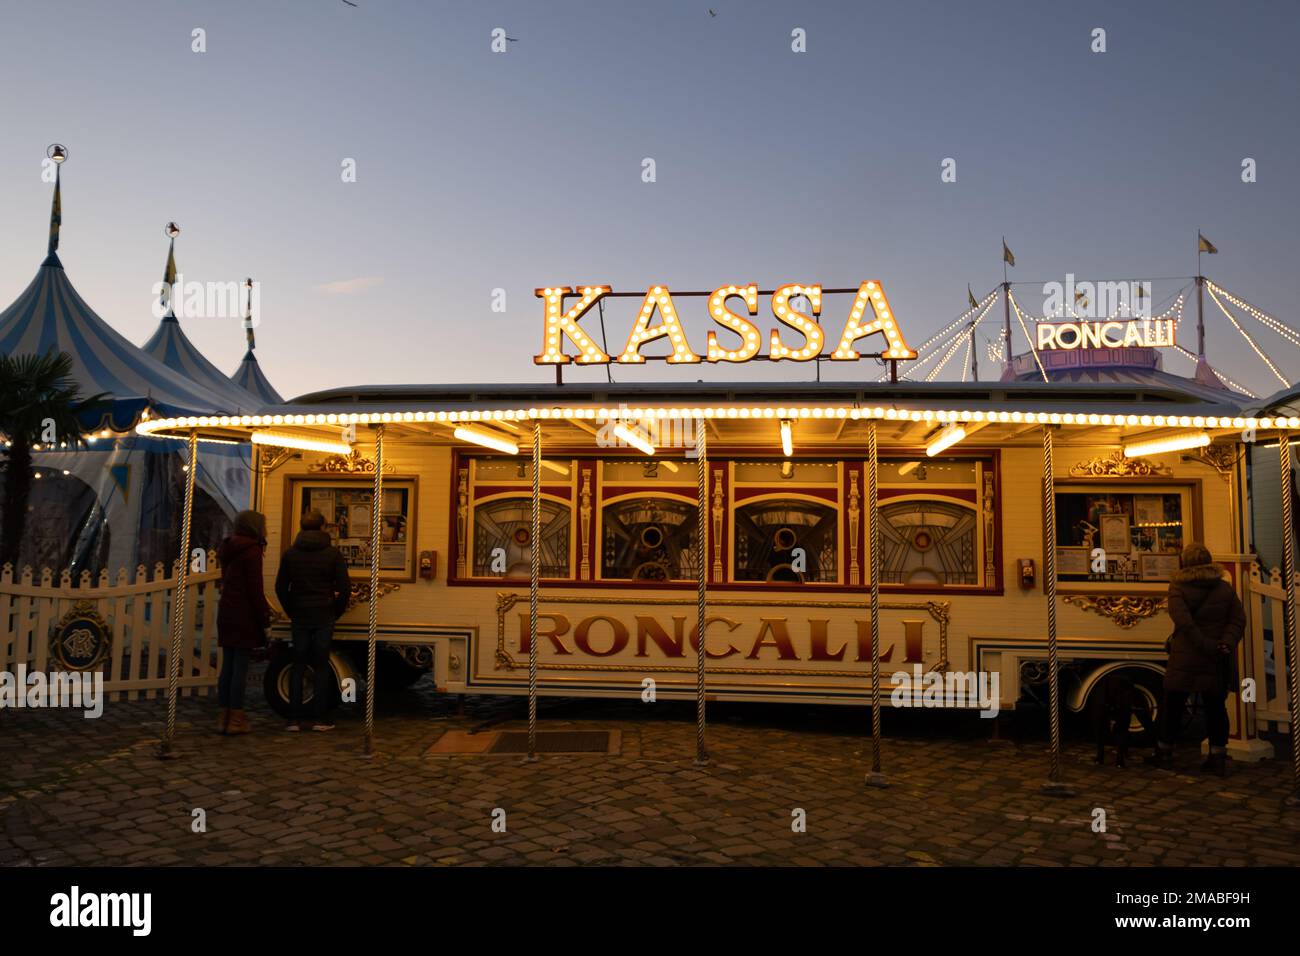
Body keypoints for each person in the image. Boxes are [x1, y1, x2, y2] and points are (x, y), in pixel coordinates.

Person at [1149, 543, 1245, 775]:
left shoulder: (1178, 587)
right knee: (1215, 707)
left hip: (1187, 656)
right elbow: (1238, 619)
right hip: (1216, 658)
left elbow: (1184, 622)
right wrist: (1225, 643)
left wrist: (1204, 645)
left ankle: (1165, 752)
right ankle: (1217, 755)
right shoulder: (1224, 588)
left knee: (1173, 705)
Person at [275, 510, 351, 731]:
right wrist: (335, 611)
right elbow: (344, 588)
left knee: (298, 666)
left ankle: (294, 719)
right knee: (321, 665)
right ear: (322, 527)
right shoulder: (332, 554)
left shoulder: (290, 554)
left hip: (300, 614)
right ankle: (320, 717)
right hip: (323, 613)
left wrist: (291, 610)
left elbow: (281, 587)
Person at [216, 510, 272, 735]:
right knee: (240, 668)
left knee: (227, 667)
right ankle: (236, 718)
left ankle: (223, 716)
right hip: (243, 614)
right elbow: (255, 588)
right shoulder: (252, 551)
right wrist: (265, 616)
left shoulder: (228, 546)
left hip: (227, 611)